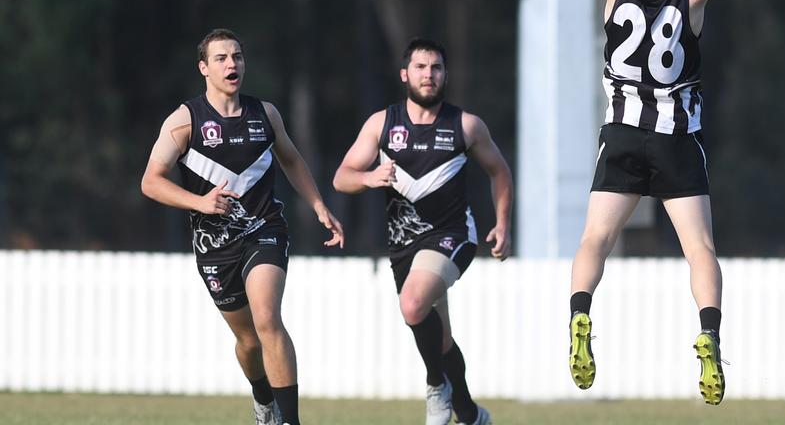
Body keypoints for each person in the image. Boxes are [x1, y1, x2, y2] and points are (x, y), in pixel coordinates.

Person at [567, 0, 730, 405]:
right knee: (701, 251)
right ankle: (708, 334)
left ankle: (581, 314)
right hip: (677, 139)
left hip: (624, 134)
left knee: (594, 242)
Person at [141, 28, 345, 425]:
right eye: (221, 58)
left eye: (237, 57)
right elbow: (151, 181)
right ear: (204, 68)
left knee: (268, 318)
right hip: (214, 245)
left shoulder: (265, 114)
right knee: (249, 341)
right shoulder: (185, 121)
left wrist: (319, 204)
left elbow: (291, 159)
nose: (232, 64)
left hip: (264, 229)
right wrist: (200, 202)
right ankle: (262, 399)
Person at [333, 38, 512, 425]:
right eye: (420, 67)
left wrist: (502, 223)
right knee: (439, 337)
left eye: (435, 68)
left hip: (453, 235)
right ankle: (468, 411)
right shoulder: (382, 124)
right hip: (403, 246)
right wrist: (369, 177)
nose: (428, 75)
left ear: (445, 75)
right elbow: (341, 178)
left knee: (413, 305)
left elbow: (499, 170)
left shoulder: (465, 125)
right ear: (405, 74)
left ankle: (435, 385)